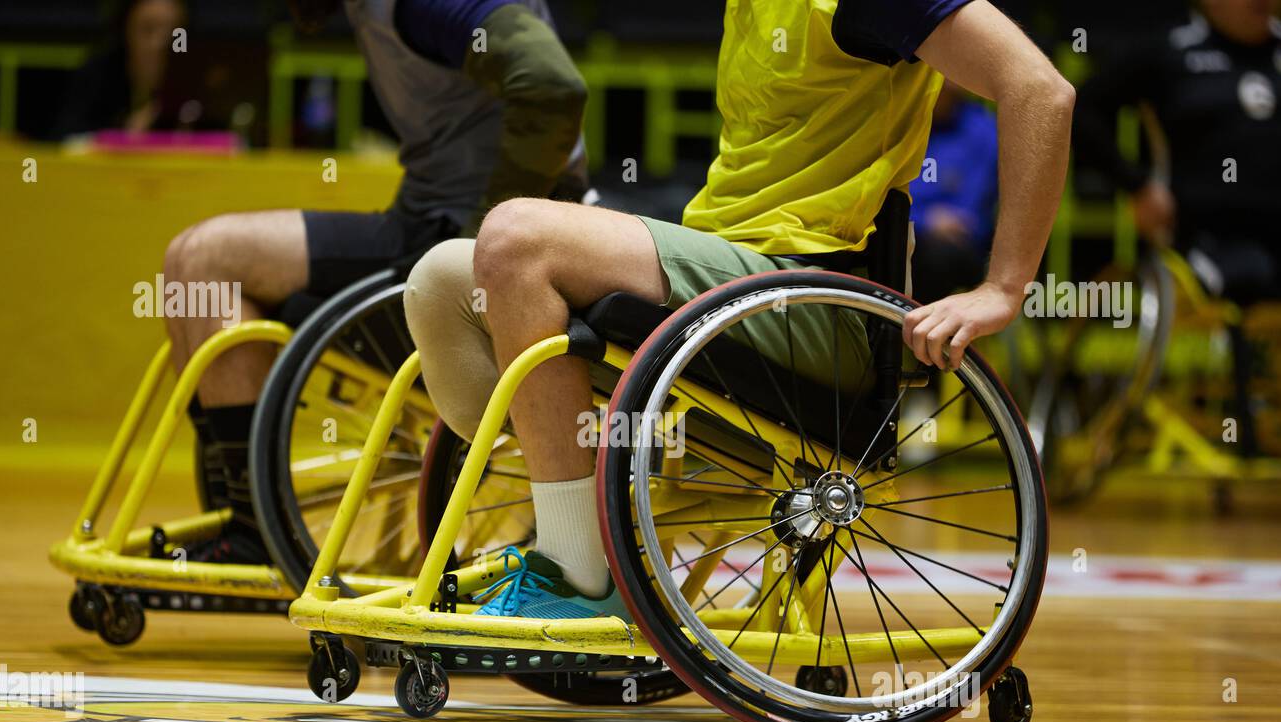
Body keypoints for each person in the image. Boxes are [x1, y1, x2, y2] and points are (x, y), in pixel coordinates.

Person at [404, 0, 1074, 618]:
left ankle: (580, 574)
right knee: (445, 278)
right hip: (738, 279)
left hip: (814, 298)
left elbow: (1041, 90)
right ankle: (584, 516)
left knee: (517, 238)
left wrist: (1003, 288)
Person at [162, 0, 589, 564]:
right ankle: (248, 520)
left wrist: (483, 241)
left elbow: (552, 84)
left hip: (463, 241)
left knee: (206, 261)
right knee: (194, 264)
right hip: (424, 222)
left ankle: (256, 531)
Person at [1072, 0, 1281, 455]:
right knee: (1251, 275)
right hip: (1210, 240)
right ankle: (1242, 429)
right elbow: (1080, 112)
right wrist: (1138, 187)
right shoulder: (1170, 52)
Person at [909, 79, 999, 304]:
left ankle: (915, 332)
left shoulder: (984, 129)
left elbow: (969, 213)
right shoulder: (903, 123)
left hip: (958, 246)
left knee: (933, 257)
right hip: (902, 232)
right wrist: (924, 219)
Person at [51, 0, 188, 139]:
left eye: (174, 34)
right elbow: (66, 139)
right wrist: (123, 136)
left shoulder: (194, 82)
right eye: (148, 29)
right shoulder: (97, 75)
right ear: (125, 31)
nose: (160, 43)